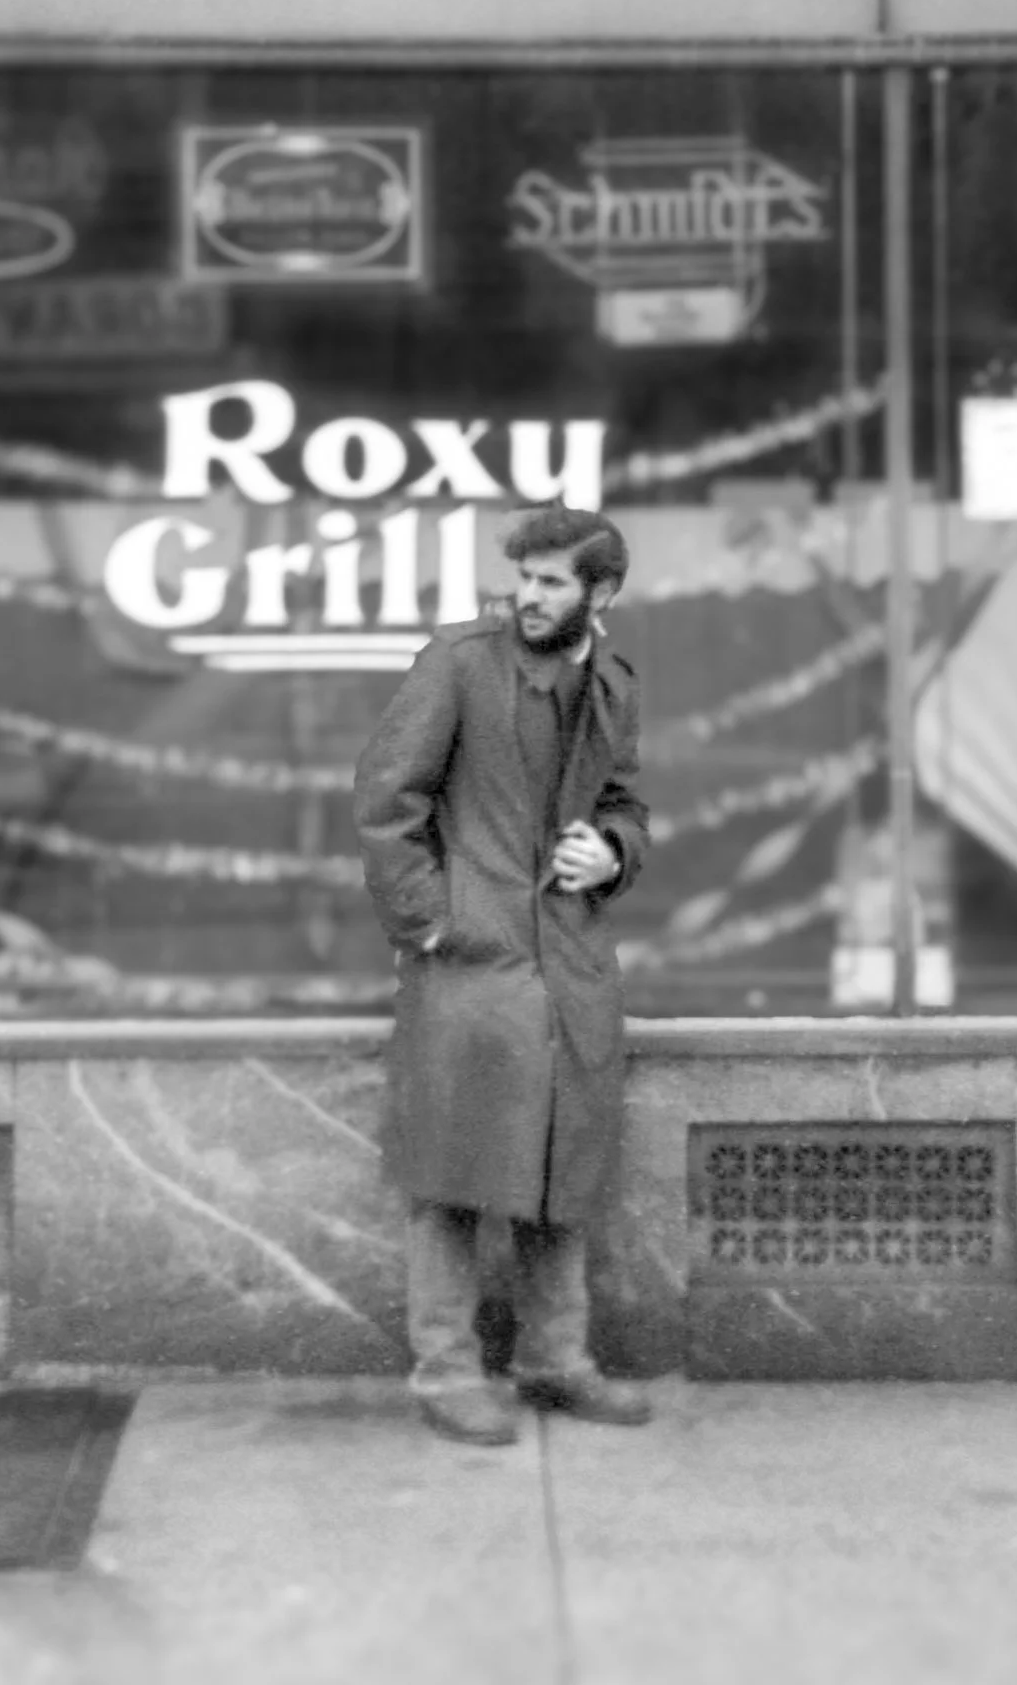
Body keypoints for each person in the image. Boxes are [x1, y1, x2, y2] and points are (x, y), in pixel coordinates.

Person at [352, 503, 654, 1446]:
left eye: (553, 580)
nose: (529, 594)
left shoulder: (612, 681)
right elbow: (386, 801)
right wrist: (433, 924)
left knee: (565, 1166)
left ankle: (556, 1361)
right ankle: (445, 1372)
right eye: (524, 575)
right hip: (472, 962)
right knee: (449, 1172)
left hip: (566, 961)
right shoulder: (459, 661)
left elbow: (625, 802)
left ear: (599, 592)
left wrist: (611, 849)